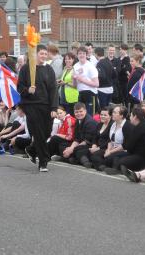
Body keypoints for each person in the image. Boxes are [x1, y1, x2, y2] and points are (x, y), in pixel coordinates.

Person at [17, 44, 58, 172]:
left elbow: (53, 90)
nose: (44, 56)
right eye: (41, 54)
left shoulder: (49, 69)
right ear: (35, 54)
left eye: (46, 54)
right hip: (31, 105)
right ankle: (43, 161)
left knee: (46, 131)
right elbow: (19, 87)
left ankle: (32, 149)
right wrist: (27, 90)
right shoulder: (25, 69)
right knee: (39, 132)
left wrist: (54, 108)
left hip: (45, 105)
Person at [91, 105, 133, 171]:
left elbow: (125, 145)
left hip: (123, 150)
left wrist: (110, 152)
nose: (112, 114)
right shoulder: (113, 124)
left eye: (115, 113)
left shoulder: (127, 126)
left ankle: (113, 168)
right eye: (113, 112)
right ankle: (102, 166)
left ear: (121, 116)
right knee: (96, 155)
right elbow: (110, 140)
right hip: (112, 148)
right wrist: (108, 149)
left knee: (110, 158)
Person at [115, 107, 145, 172]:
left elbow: (129, 146)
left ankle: (124, 170)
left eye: (131, 116)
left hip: (142, 157)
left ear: (135, 117)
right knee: (116, 156)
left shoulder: (139, 128)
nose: (130, 118)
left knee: (120, 161)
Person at [61, 102, 98, 167]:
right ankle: (70, 158)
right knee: (63, 145)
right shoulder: (77, 121)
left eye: (81, 111)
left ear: (85, 111)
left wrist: (72, 149)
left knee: (78, 150)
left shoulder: (90, 122)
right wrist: (71, 148)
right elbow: (76, 138)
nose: (79, 114)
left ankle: (84, 162)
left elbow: (86, 141)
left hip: (90, 144)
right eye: (76, 112)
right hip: (81, 143)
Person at [73, 47, 99, 116]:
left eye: (83, 53)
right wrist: (74, 79)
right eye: (80, 53)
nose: (81, 55)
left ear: (86, 55)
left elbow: (96, 84)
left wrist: (82, 80)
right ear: (77, 55)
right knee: (80, 116)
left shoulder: (90, 66)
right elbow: (75, 86)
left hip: (90, 94)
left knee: (89, 116)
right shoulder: (75, 66)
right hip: (80, 93)